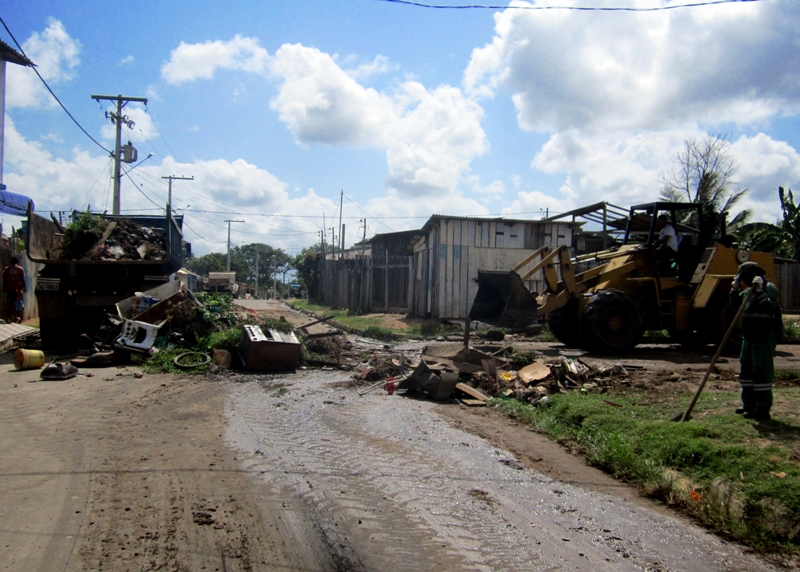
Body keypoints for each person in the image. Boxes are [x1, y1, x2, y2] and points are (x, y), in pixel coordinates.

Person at [731, 261, 780, 421]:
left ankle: (762, 408)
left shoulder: (768, 288)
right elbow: (735, 306)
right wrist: (734, 290)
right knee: (746, 374)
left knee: (761, 374)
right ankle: (749, 405)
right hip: (749, 339)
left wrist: (759, 291)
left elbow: (770, 307)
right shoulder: (746, 292)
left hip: (763, 339)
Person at [1, 256, 25, 324]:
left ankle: (10, 317)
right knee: (12, 303)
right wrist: (23, 287)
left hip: (10, 288)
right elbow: (22, 279)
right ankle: (9, 317)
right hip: (15, 288)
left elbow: (4, 279)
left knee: (11, 303)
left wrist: (3, 287)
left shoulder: (8, 269)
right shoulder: (19, 269)